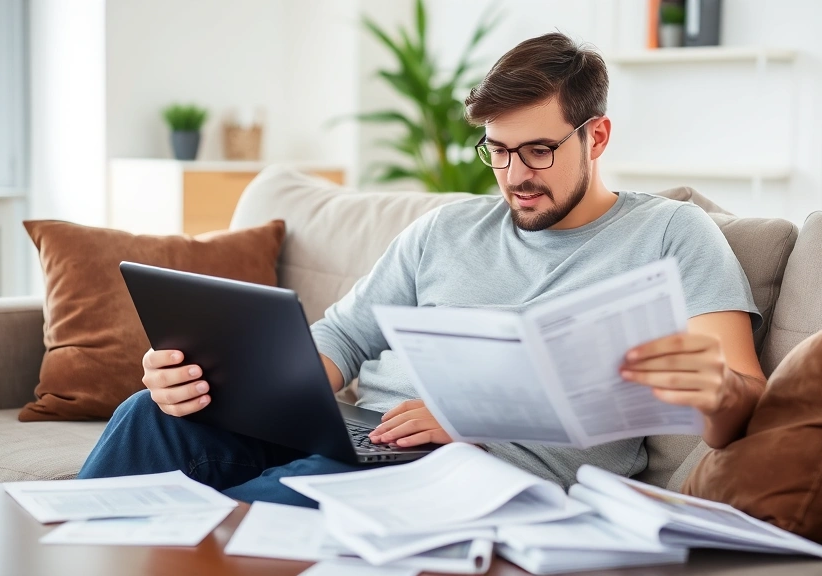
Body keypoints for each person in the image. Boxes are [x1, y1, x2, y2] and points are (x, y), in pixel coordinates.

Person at [79, 32, 766, 507]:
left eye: (537, 151)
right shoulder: (446, 230)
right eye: (496, 151)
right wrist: (246, 386)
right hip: (366, 432)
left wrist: (720, 394)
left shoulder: (673, 234)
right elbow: (340, 340)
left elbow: (743, 398)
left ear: (597, 136)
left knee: (267, 507)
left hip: (477, 473)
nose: (514, 176)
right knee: (153, 415)